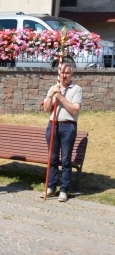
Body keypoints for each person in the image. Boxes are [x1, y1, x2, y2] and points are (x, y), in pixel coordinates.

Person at [41, 64, 82, 202]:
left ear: (72, 74)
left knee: (65, 160)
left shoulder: (76, 89)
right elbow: (46, 109)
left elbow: (75, 110)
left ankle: (64, 189)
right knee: (52, 158)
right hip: (53, 125)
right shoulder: (53, 88)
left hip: (68, 126)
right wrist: (52, 94)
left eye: (67, 73)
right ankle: (51, 187)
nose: (64, 75)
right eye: (62, 73)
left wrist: (61, 97)